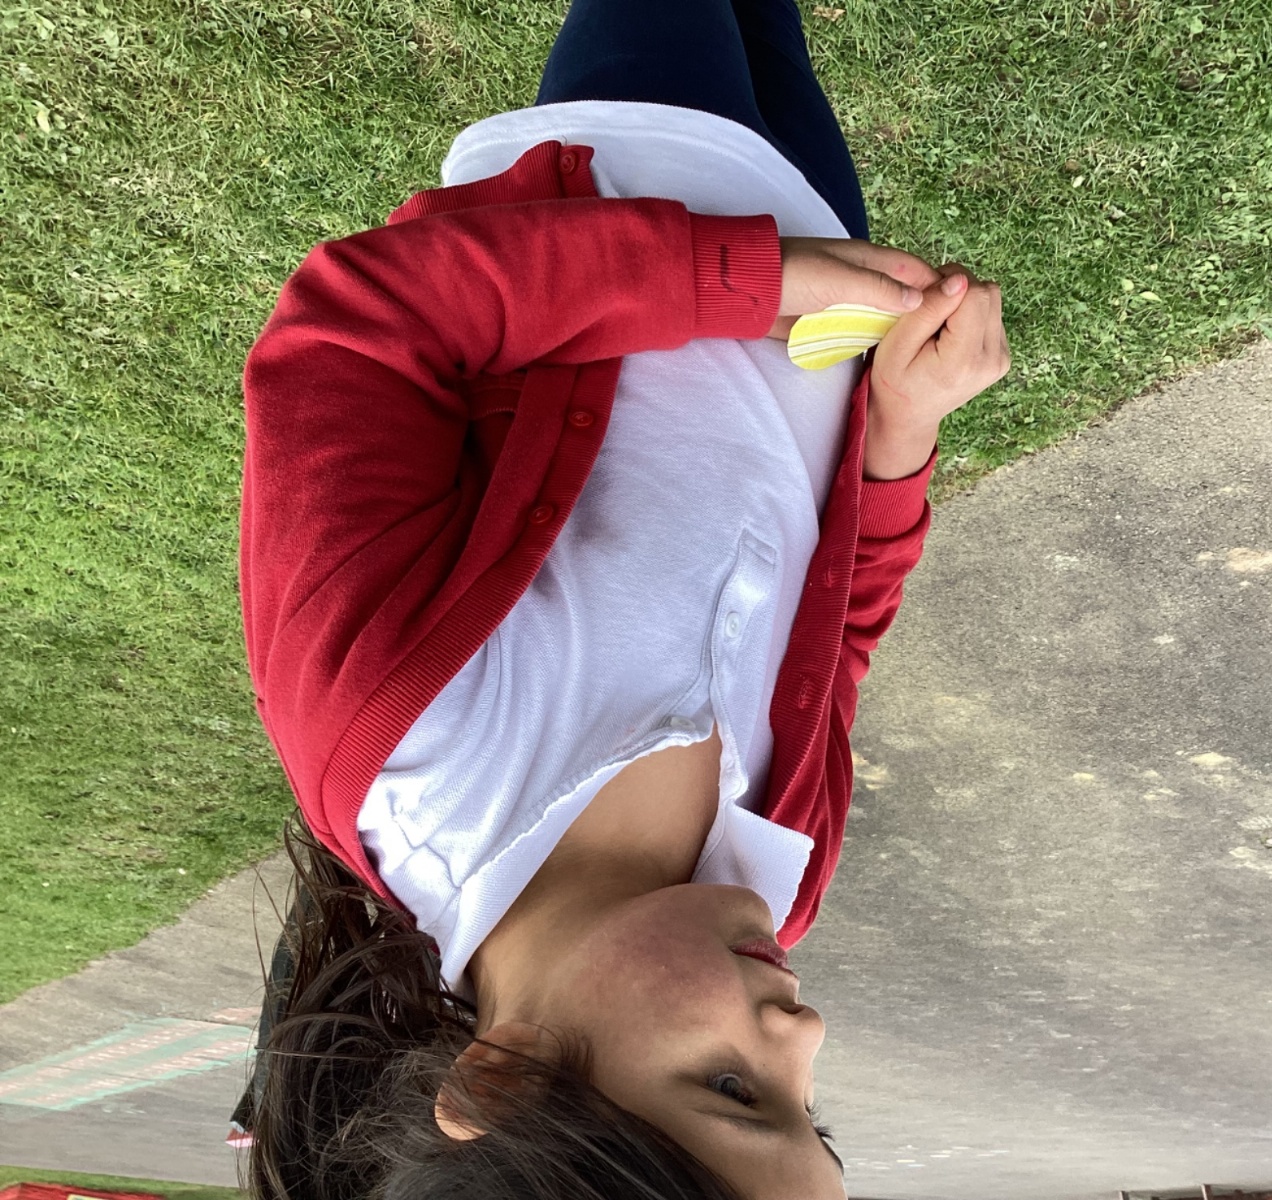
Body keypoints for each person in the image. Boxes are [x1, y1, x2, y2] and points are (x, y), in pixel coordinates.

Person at [234, 0, 1010, 1196]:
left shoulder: (397, 742)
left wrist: (736, 276)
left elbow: (360, 329)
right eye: (816, 1118)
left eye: (735, 1091)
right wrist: (899, 436)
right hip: (813, 224)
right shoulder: (775, 885)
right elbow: (836, 636)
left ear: (503, 1077)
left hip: (641, 152)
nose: (804, 1036)